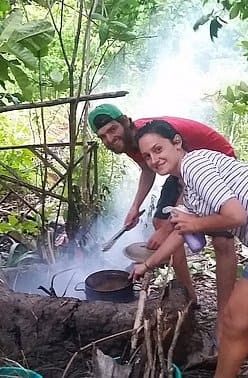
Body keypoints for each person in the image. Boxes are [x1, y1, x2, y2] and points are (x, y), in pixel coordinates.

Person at [129, 120, 248, 378]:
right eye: (147, 156)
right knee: (234, 322)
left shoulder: (195, 165)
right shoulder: (190, 190)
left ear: (177, 143)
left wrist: (196, 223)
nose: (153, 159)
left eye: (158, 149)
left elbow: (236, 216)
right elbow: (180, 234)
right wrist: (146, 264)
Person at [88, 103, 236, 305]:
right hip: (182, 169)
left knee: (221, 241)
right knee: (160, 221)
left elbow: (191, 185)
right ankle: (190, 299)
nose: (109, 139)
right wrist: (134, 208)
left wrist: (169, 228)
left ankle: (226, 309)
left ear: (125, 121)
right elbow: (147, 170)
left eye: (112, 130)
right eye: (103, 136)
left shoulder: (150, 134)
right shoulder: (132, 141)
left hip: (216, 165)